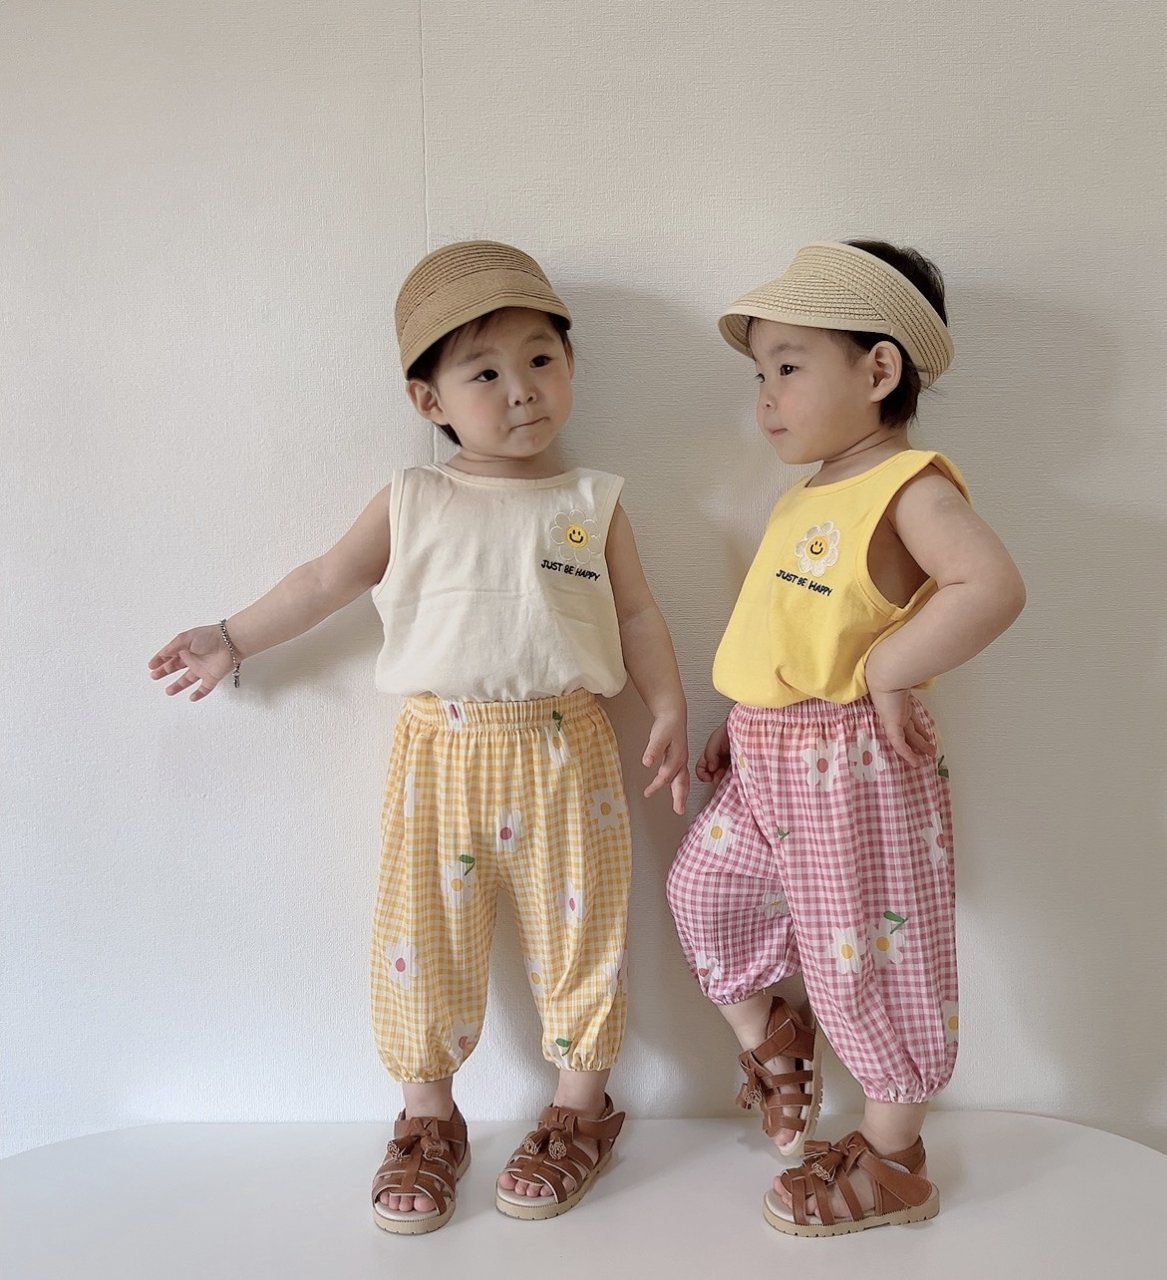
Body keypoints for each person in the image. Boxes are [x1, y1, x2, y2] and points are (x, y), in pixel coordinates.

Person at [148, 240, 689, 1231]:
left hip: (566, 747)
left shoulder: (591, 502)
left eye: (541, 359)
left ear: (570, 365)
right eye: (485, 372)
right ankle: (428, 1117)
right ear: (428, 398)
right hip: (439, 752)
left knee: (583, 930)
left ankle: (580, 1109)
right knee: (421, 934)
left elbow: (638, 614)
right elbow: (324, 580)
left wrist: (667, 704)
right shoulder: (414, 498)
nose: (521, 390)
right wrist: (232, 636)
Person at [666, 239, 1025, 1236]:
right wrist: (744, 717)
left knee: (863, 956)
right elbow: (797, 631)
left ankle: (896, 1153)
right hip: (770, 754)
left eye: (786, 366)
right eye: (758, 375)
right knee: (703, 890)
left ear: (877, 371)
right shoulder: (805, 494)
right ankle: (773, 1031)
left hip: (848, 765)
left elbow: (990, 586)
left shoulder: (908, 484)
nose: (765, 398)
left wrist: (889, 670)